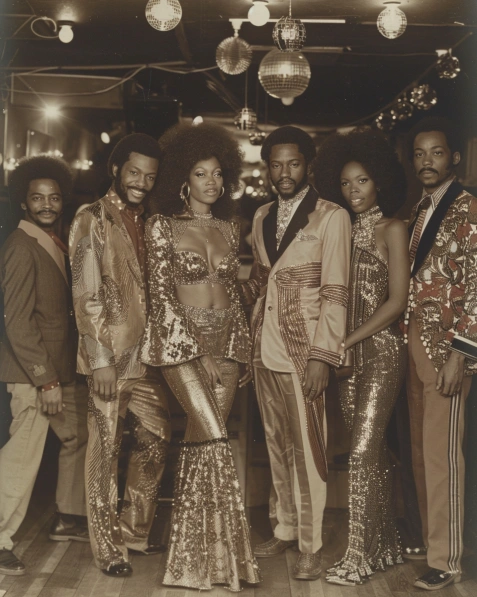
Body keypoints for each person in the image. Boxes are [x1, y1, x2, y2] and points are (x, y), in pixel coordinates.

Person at [140, 122, 261, 592]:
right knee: (214, 441)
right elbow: (161, 297)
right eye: (199, 173)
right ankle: (230, 559)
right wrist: (195, 353)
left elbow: (231, 290)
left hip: (227, 345)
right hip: (182, 346)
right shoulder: (162, 228)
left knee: (199, 446)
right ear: (182, 180)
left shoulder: (230, 230)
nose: (211, 181)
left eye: (216, 173)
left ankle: (195, 563)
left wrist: (240, 349)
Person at [245, 126, 351, 580]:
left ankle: (311, 545)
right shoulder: (261, 215)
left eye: (293, 163)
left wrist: (322, 357)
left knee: (309, 449)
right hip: (262, 350)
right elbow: (259, 282)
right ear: (267, 166)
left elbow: (336, 293)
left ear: (308, 165)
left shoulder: (332, 216)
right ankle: (285, 526)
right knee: (276, 444)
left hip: (304, 351)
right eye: (275, 163)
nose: (283, 172)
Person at [69, 133, 171, 577]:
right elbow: (85, 293)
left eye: (149, 176)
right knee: (104, 450)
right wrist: (99, 359)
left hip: (150, 357)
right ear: (116, 170)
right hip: (110, 356)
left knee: (155, 439)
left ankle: (134, 532)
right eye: (134, 173)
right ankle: (108, 547)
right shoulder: (91, 218)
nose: (142, 182)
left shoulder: (152, 221)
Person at [314, 129, 409, 585]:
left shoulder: (393, 228)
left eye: (363, 181)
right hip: (345, 356)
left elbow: (397, 302)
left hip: (382, 351)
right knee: (371, 453)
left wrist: (346, 340)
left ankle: (357, 557)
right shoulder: (338, 229)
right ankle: (386, 543)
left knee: (363, 452)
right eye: (347, 183)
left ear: (380, 182)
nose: (354, 191)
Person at [0, 156, 89, 576]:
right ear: (24, 203)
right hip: (34, 375)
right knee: (22, 458)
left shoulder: (52, 240)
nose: (47, 204)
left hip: (59, 371)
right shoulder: (20, 247)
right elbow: (17, 322)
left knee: (77, 436)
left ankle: (68, 517)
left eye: (54, 197)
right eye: (38, 198)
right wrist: (46, 380)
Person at [404, 117, 477, 590]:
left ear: (453, 157)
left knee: (442, 455)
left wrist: (460, 353)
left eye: (436, 152)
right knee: (420, 450)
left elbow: (475, 284)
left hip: (445, 348)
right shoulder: (422, 207)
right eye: (419, 153)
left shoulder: (467, 208)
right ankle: (433, 542)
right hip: (415, 340)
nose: (427, 161)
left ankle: (447, 560)